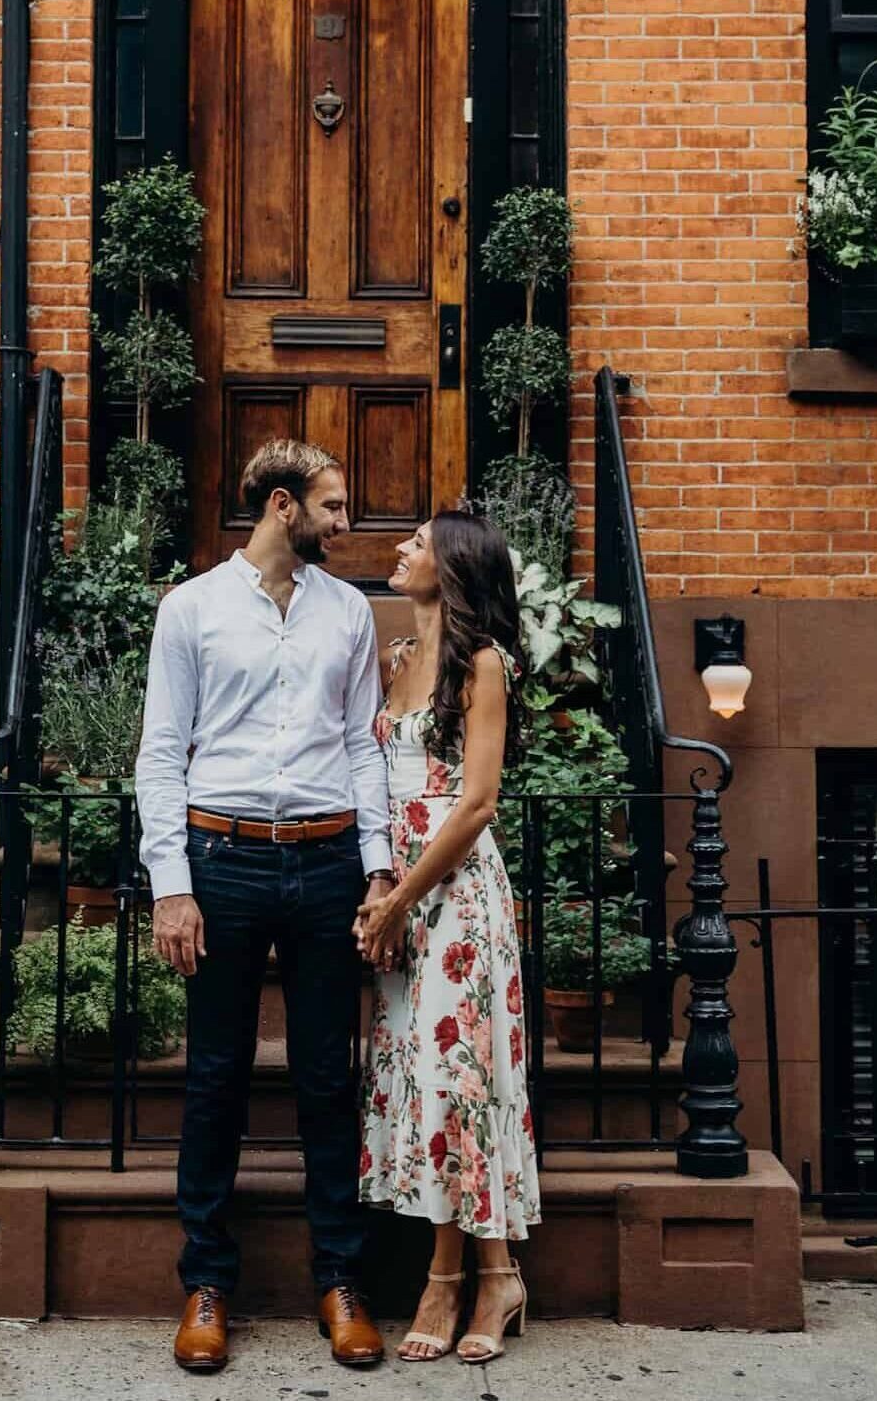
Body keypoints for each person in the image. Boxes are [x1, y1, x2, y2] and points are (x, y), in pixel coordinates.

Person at [135, 438, 395, 1374]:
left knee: (330, 1079)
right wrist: (171, 885)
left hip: (328, 864)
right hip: (223, 860)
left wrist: (377, 869)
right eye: (331, 507)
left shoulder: (350, 612)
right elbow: (161, 752)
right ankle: (206, 1283)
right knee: (216, 1080)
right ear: (282, 506)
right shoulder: (191, 609)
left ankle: (341, 1281)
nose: (344, 522)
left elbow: (363, 746)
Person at [355, 510, 540, 1364]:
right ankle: (496, 1274)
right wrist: (380, 887)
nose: (400, 549)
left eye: (417, 543)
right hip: (401, 883)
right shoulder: (397, 661)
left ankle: (447, 1279)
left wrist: (404, 900)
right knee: (427, 1077)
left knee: (456, 1077)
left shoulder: (482, 665)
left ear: (454, 567)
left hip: (457, 893)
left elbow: (476, 804)